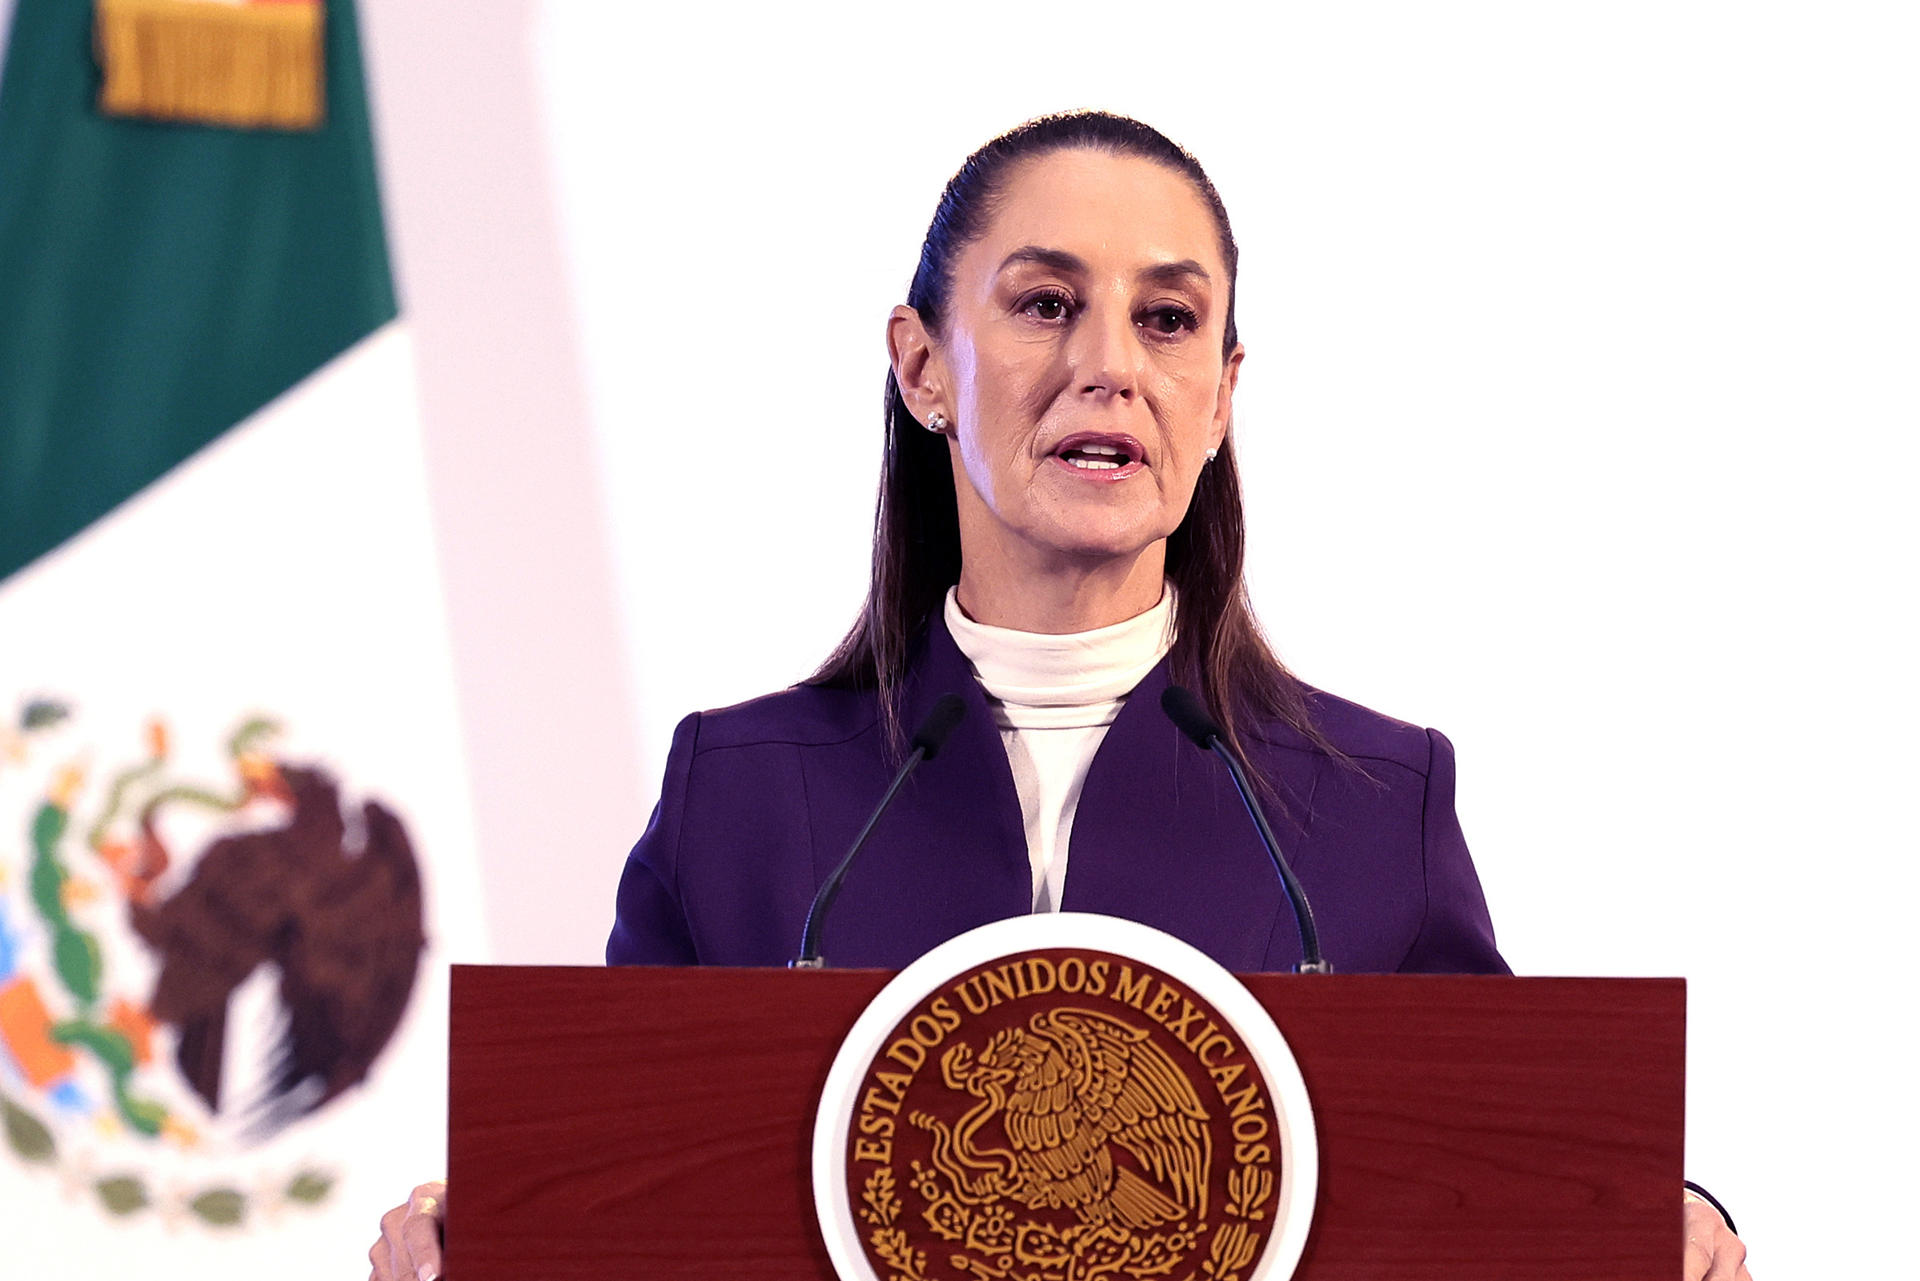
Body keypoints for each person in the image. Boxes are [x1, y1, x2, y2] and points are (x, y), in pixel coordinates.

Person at [370, 112, 1751, 1281]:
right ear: (921, 366)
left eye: (1167, 319)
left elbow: (1492, 1198)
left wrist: (1674, 1227)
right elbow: (620, 1195)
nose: (1111, 363)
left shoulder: (1373, 802)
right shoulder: (740, 789)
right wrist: (476, 1234)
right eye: (1044, 303)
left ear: (1219, 396)